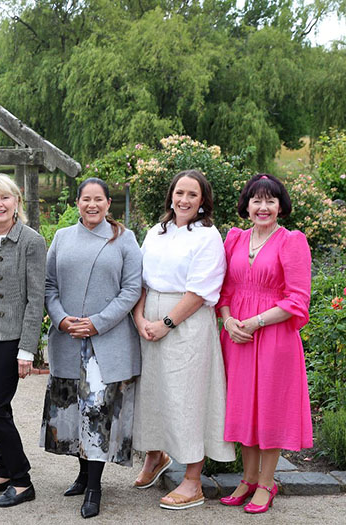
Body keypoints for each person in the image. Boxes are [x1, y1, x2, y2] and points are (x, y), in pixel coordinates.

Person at [132, 169, 235, 510]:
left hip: (186, 322)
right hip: (150, 315)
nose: (184, 200)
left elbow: (201, 290)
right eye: (179, 193)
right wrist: (140, 318)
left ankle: (192, 479)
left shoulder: (207, 236)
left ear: (203, 200)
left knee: (187, 397)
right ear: (170, 196)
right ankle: (155, 455)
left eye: (192, 194)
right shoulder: (156, 232)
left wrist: (165, 322)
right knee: (152, 392)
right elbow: (140, 280)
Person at [41, 177, 142, 518]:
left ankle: (95, 487)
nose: (92, 205)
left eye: (99, 199)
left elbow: (131, 290)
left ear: (108, 203)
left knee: (97, 410)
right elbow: (49, 284)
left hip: (106, 340)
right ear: (78, 202)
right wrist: (61, 319)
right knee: (73, 410)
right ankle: (83, 475)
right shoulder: (62, 237)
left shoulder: (125, 239)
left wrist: (98, 321)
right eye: (86, 199)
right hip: (69, 338)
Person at [217, 173, 312, 514]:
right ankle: (248, 478)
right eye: (256, 200)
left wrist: (256, 322)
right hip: (237, 335)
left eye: (270, 200)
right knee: (244, 408)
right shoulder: (235, 239)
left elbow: (298, 299)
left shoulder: (292, 241)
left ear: (280, 206)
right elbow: (224, 291)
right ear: (246, 206)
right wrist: (228, 320)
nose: (263, 207)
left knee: (269, 409)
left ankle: (267, 482)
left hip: (273, 336)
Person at [0, 174, 45, 508]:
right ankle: (3, 472)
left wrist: (27, 348)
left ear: (17, 201)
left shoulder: (31, 241)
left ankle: (21, 479)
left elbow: (36, 299)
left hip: (11, 332)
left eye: (5, 198)